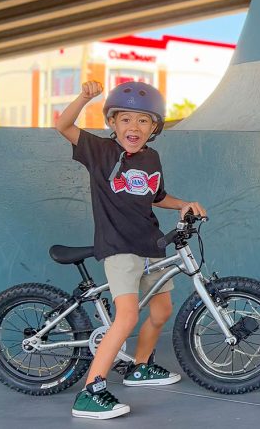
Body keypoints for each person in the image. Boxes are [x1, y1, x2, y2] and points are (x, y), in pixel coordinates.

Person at [55, 80, 207, 420]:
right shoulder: (100, 151)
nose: (133, 127)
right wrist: (84, 97)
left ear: (154, 128)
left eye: (142, 120)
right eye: (125, 119)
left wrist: (184, 204)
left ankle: (139, 368)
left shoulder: (152, 157)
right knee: (127, 316)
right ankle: (89, 392)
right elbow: (63, 126)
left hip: (150, 243)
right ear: (112, 122)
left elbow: (156, 196)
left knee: (162, 311)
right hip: (119, 246)